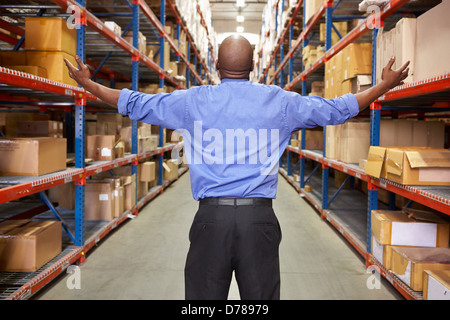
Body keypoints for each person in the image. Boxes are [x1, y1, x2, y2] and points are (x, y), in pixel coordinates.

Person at [65, 35, 409, 300]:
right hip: (259, 221)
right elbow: (337, 109)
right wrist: (383, 85)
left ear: (215, 65)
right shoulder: (280, 101)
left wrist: (90, 84)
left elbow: (134, 104)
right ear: (255, 63)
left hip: (209, 221)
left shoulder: (192, 101)